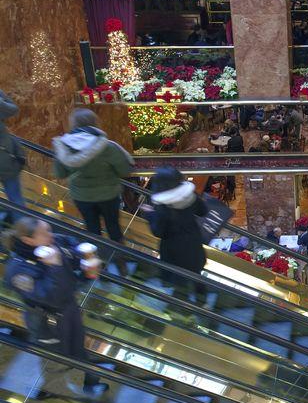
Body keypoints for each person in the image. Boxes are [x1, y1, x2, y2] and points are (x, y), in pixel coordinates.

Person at [4, 218, 108, 397]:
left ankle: (91, 381)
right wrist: (56, 266)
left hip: (68, 310)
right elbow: (53, 296)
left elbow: (71, 247)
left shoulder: (51, 243)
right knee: (55, 357)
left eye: (49, 230)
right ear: (28, 240)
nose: (51, 236)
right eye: (45, 233)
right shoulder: (18, 272)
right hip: (47, 322)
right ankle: (50, 389)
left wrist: (86, 259)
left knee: (78, 346)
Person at [53, 109, 134, 245]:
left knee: (92, 228)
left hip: (81, 196)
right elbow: (124, 170)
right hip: (108, 195)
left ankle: (96, 258)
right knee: (113, 227)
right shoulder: (108, 147)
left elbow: (60, 173)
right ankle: (120, 260)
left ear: (73, 124)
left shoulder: (64, 147)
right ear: (95, 123)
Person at [143, 168, 208, 301]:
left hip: (174, 251)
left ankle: (182, 310)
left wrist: (150, 214)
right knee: (196, 274)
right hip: (193, 245)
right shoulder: (189, 195)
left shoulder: (162, 207)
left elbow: (158, 231)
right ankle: (203, 303)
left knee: (180, 284)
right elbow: (203, 211)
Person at [0, 90, 25, 220]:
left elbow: (13, 110)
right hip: (5, 157)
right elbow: (12, 110)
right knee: (16, 200)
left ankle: (22, 235)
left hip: (5, 157)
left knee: (16, 200)